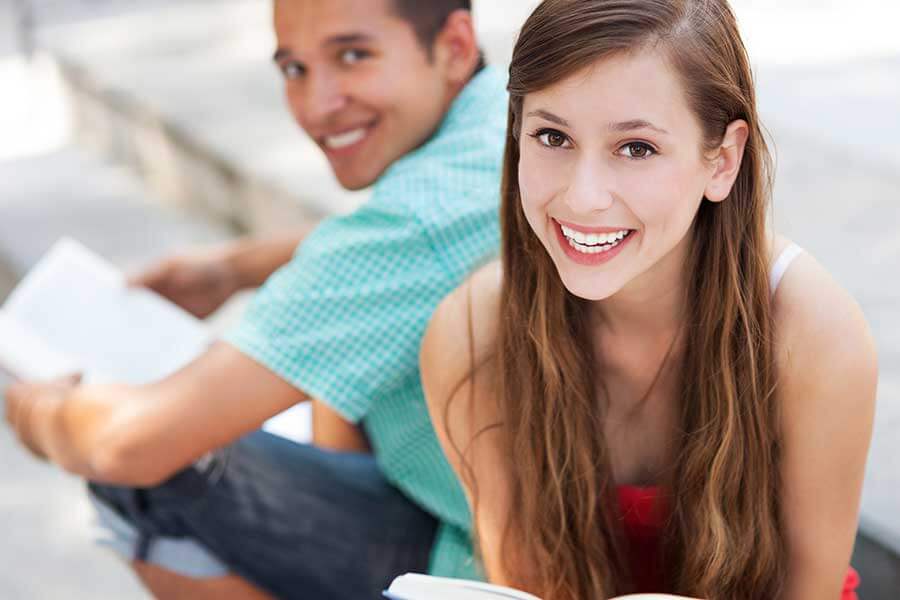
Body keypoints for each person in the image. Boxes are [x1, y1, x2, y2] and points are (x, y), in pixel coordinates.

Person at [3, 0, 507, 598]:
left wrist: (40, 413)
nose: (316, 106)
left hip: (474, 563)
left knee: (143, 475)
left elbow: (128, 445)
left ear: (453, 45)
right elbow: (404, 234)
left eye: (353, 56)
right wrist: (233, 268)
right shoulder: (502, 116)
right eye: (294, 69)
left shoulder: (416, 223)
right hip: (512, 514)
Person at [421, 0, 877, 598]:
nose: (583, 198)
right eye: (552, 136)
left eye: (636, 148)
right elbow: (522, 584)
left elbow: (807, 588)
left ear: (723, 160)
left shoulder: (814, 335)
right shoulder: (472, 332)